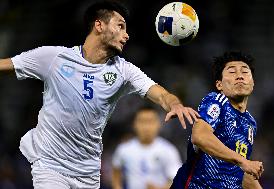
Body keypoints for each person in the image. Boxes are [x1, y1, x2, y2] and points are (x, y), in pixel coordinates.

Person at [0, 1, 199, 189]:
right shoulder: (54, 58)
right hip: (50, 165)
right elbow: (6, 64)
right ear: (99, 25)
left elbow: (161, 94)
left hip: (88, 172)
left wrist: (175, 104)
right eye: (120, 26)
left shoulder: (124, 71)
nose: (126, 35)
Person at [171, 51, 264, 189]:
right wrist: (243, 162)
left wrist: (245, 164)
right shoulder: (217, 101)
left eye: (245, 72)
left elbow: (241, 172)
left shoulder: (250, 123)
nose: (239, 76)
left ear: (252, 83)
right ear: (219, 85)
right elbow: (200, 136)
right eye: (232, 72)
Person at [112, 106, 182, 189]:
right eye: (142, 121)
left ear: (158, 124)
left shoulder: (168, 150)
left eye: (150, 121)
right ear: (134, 124)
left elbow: (177, 180)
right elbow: (116, 173)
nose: (146, 127)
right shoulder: (123, 149)